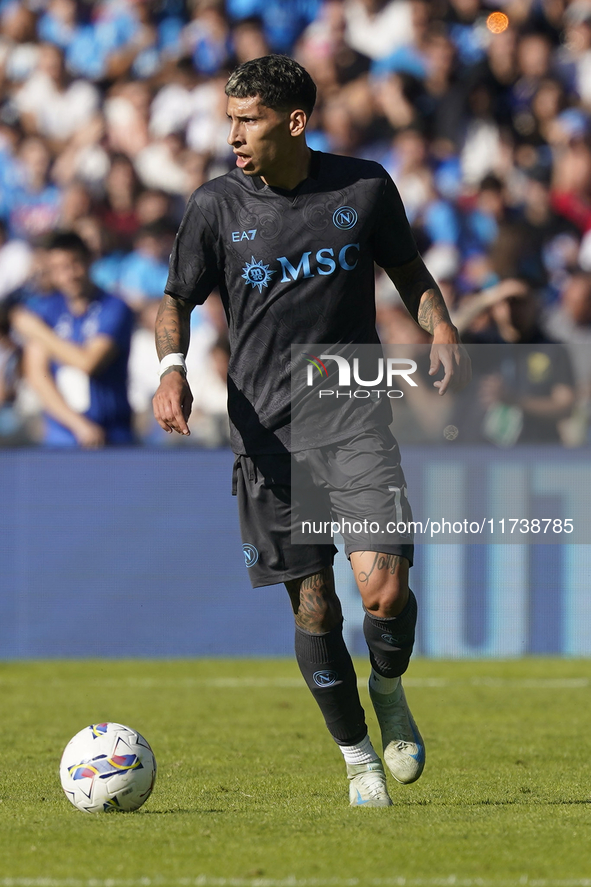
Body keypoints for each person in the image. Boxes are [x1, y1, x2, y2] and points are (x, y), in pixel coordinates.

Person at [152, 54, 471, 807]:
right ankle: (358, 757)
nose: (231, 133)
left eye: (247, 119)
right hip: (265, 432)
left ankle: (387, 689)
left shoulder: (362, 186)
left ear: (294, 121)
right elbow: (175, 297)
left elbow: (410, 272)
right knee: (316, 606)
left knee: (384, 591)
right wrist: (171, 366)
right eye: (228, 118)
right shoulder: (214, 206)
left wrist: (441, 324)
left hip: (350, 412)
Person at [10, 230, 134, 447]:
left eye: (74, 263)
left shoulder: (114, 307)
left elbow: (89, 362)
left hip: (113, 432)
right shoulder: (47, 310)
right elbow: (37, 375)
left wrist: (37, 331)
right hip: (63, 435)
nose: (68, 275)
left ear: (89, 260)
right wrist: (78, 425)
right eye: (58, 269)